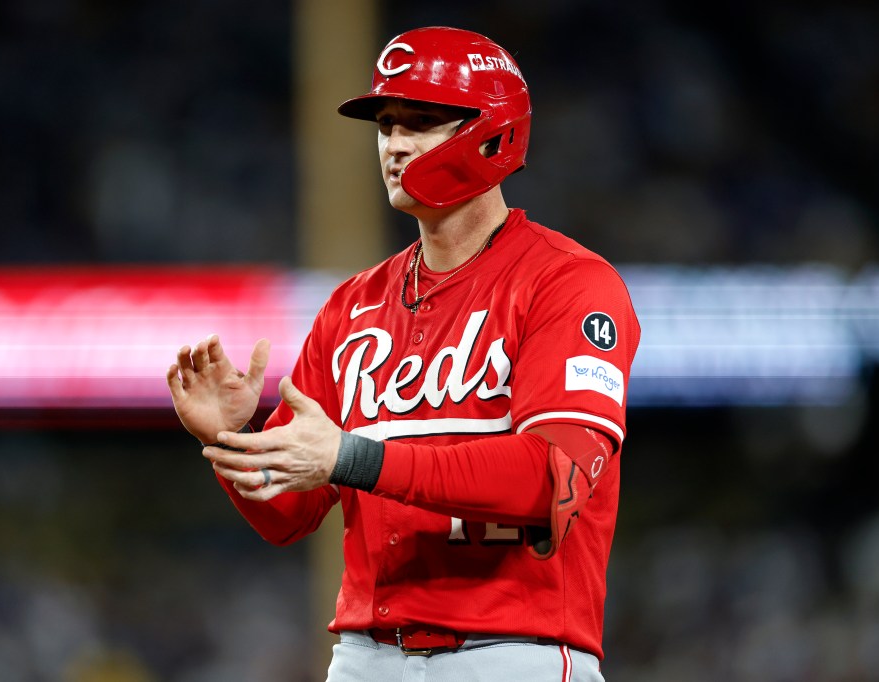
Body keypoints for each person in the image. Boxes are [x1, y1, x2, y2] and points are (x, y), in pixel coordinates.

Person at [167, 26, 640, 681]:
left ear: (493, 129)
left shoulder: (568, 282)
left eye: (421, 122)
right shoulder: (352, 306)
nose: (395, 144)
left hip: (512, 649)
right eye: (386, 125)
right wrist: (234, 441)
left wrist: (352, 457)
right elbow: (288, 513)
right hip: (367, 655)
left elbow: (547, 479)